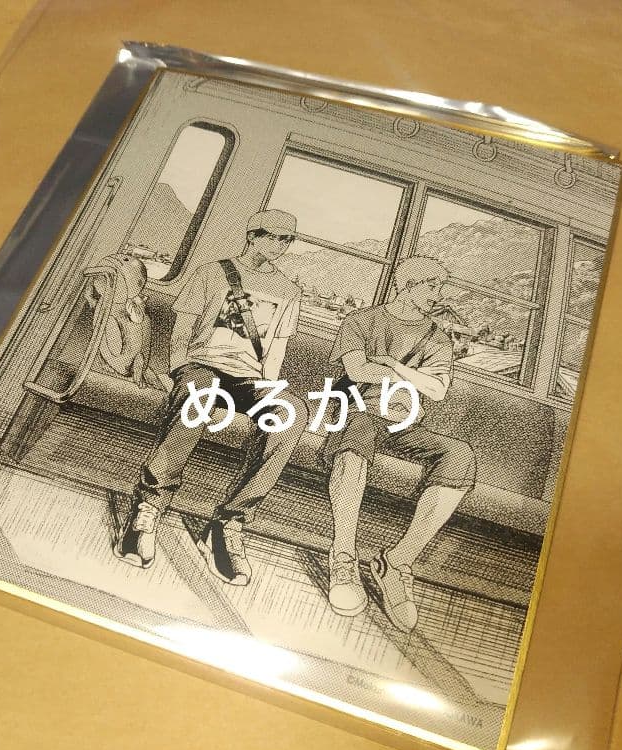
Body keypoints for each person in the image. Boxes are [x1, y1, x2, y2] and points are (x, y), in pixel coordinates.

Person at [112, 210, 308, 586]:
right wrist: (179, 372)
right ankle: (150, 504)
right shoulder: (210, 273)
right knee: (198, 393)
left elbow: (276, 349)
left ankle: (228, 523)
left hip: (249, 380)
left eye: (287, 240)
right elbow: (182, 332)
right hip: (202, 367)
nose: (280, 245)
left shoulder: (289, 291)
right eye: (273, 236)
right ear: (252, 235)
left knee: (293, 412)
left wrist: (268, 389)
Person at [322, 257, 475, 631]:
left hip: (404, 425)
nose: (438, 295)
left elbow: (437, 390)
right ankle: (343, 556)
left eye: (441, 287)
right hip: (358, 411)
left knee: (460, 455)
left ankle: (396, 562)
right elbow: (357, 370)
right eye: (432, 286)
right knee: (357, 432)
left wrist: (393, 365)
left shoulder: (437, 337)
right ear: (407, 285)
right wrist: (411, 377)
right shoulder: (361, 321)